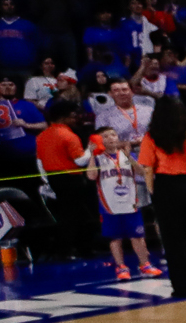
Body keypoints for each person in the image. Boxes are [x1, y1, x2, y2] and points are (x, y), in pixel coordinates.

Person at [139, 96, 186, 298]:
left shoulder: (152, 137)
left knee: (172, 239)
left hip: (166, 187)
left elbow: (148, 168)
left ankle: (182, 286)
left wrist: (153, 192)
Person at [82, 125, 161, 280]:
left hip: (130, 202)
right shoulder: (98, 158)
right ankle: (121, 266)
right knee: (115, 238)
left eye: (113, 134)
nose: (111, 138)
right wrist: (91, 154)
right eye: (106, 136)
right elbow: (91, 176)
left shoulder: (125, 155)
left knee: (137, 236)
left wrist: (130, 157)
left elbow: (141, 172)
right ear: (98, 140)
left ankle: (145, 264)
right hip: (109, 205)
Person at [34, 98, 91, 258]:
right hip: (71, 179)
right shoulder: (69, 135)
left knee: (66, 215)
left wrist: (46, 181)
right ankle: (71, 250)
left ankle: (68, 249)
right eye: (73, 115)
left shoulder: (41, 136)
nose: (75, 118)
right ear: (63, 117)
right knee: (74, 216)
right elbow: (80, 160)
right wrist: (91, 150)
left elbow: (39, 162)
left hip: (53, 178)